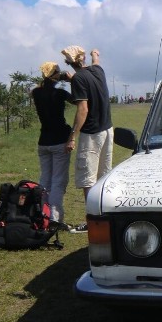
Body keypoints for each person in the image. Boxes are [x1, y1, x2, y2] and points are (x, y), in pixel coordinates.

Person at [61, 45, 113, 233]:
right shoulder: (98, 70)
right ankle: (106, 216)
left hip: (91, 134)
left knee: (88, 179)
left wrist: (72, 136)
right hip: (107, 130)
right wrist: (95, 54)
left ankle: (92, 221)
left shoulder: (78, 80)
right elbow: (96, 62)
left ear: (69, 63)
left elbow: (83, 109)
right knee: (103, 176)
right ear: (84, 59)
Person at [31, 62, 73, 227]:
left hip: (44, 141)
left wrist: (50, 78)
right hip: (60, 141)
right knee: (58, 181)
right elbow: (79, 101)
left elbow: (38, 88)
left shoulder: (36, 93)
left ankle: (42, 213)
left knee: (45, 179)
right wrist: (71, 80)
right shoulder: (61, 93)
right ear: (55, 76)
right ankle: (54, 217)